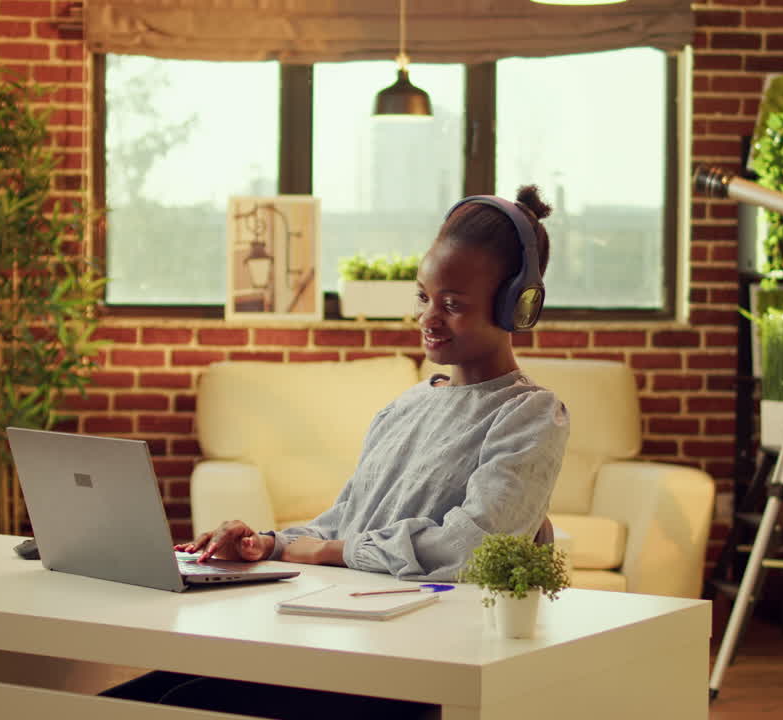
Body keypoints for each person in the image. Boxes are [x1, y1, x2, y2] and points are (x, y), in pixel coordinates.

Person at [102, 186, 570, 718]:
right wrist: (268, 543)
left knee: (178, 703)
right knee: (149, 693)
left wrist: (328, 553)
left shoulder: (529, 413)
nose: (428, 318)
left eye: (453, 305)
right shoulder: (406, 406)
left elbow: (470, 550)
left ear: (516, 307)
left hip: (410, 663)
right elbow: (346, 520)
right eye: (423, 297)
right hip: (341, 635)